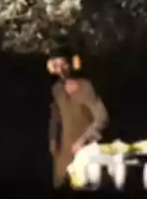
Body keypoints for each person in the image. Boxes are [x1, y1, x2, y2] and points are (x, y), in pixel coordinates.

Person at [47, 44, 110, 189]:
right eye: (56, 65)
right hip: (63, 153)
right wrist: (52, 139)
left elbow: (102, 117)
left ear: (71, 64)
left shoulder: (86, 87)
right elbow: (55, 118)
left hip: (85, 152)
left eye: (64, 64)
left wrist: (83, 140)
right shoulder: (57, 90)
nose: (61, 70)